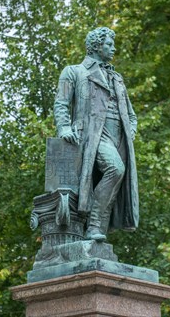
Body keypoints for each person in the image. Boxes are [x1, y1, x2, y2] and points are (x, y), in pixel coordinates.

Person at [53, 27, 138, 241]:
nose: (113, 48)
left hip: (119, 136)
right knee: (115, 169)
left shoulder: (116, 78)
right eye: (109, 44)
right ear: (97, 46)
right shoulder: (74, 71)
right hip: (92, 133)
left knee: (117, 181)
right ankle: (93, 225)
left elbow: (130, 113)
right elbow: (61, 103)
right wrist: (63, 127)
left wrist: (131, 131)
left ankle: (97, 230)